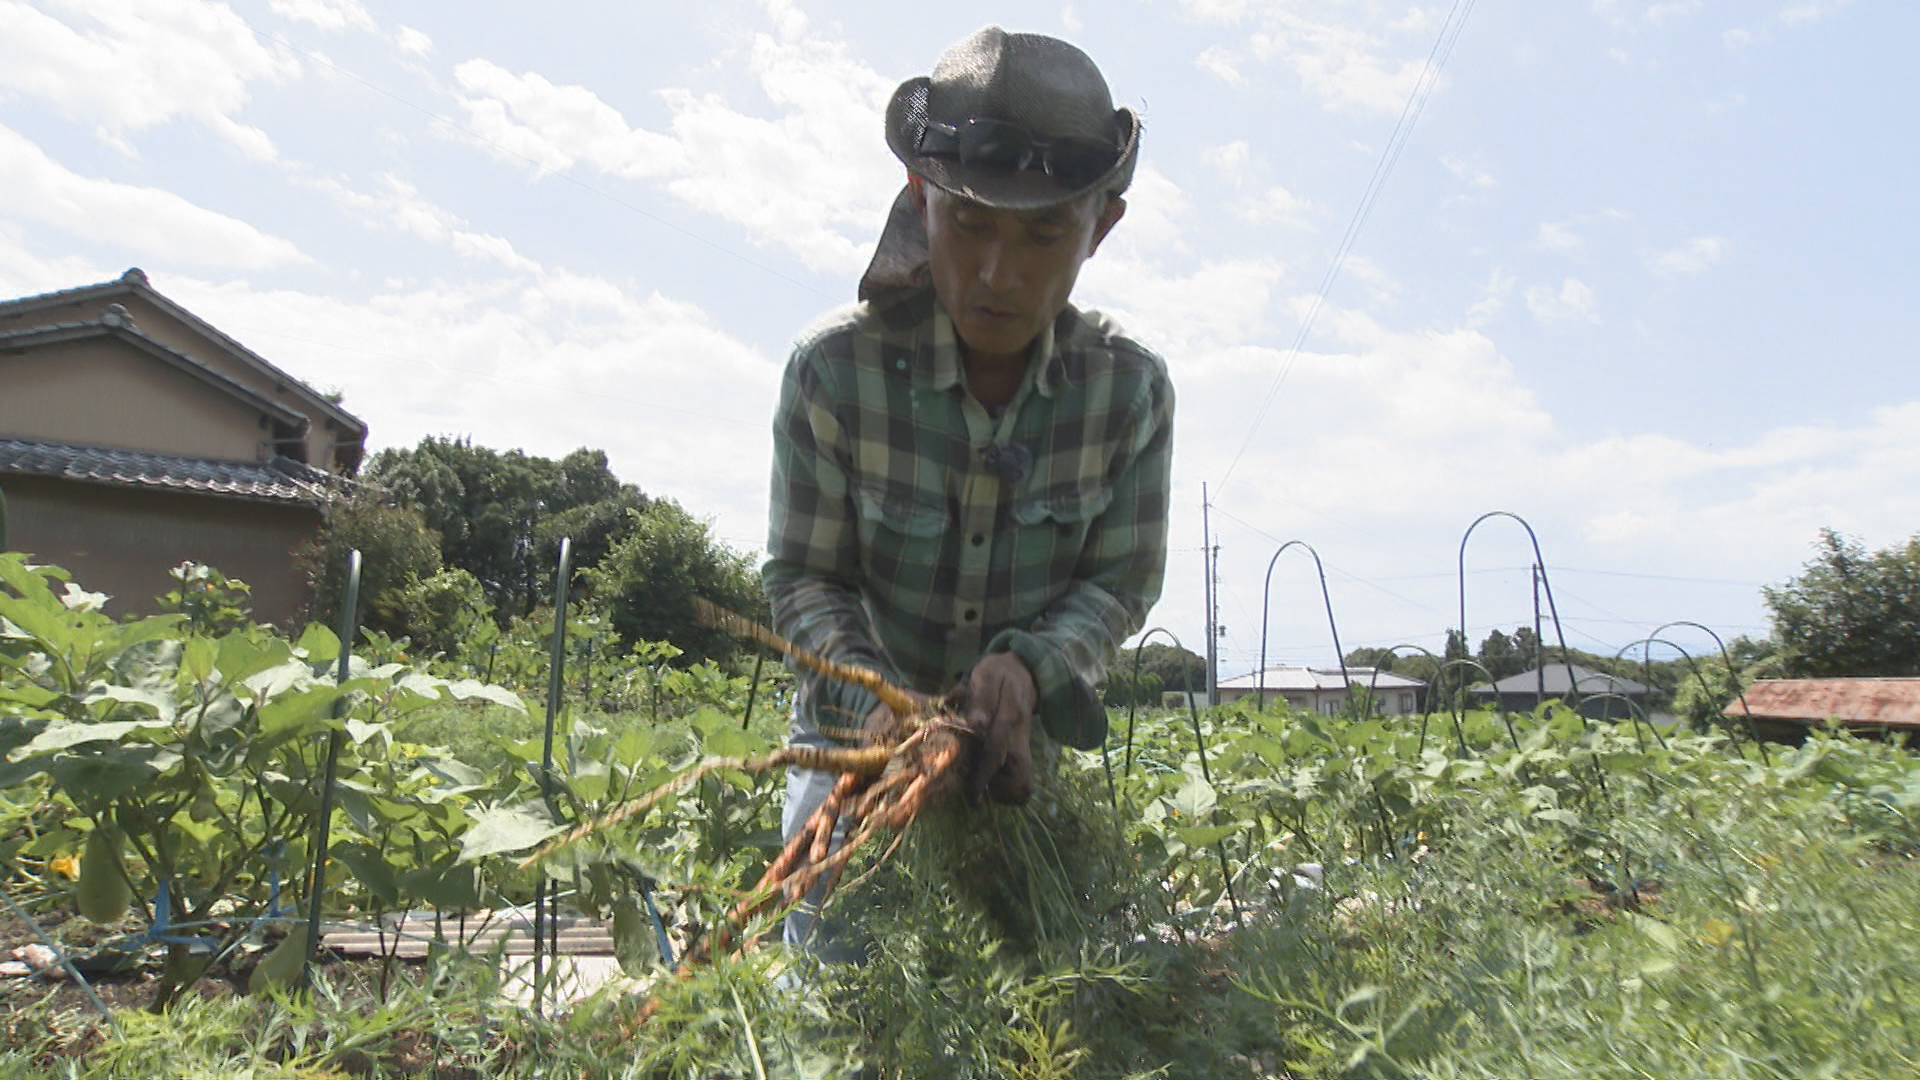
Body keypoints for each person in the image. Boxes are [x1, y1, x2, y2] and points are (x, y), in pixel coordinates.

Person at [762, 25, 1174, 959]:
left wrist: (1025, 669)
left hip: (1020, 772)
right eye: (970, 225)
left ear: (1101, 226)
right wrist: (882, 712)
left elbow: (1119, 585)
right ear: (921, 198)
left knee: (1033, 1020)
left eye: (1042, 235)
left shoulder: (1127, 392)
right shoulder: (836, 371)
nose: (998, 273)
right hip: (858, 773)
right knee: (840, 1017)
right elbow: (803, 579)